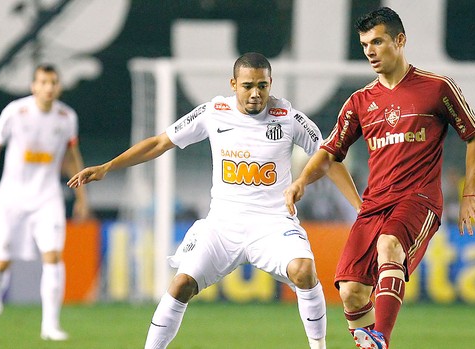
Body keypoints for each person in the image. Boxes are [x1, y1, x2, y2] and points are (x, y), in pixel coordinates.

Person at [68, 52, 360, 349]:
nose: (255, 93)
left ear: (271, 83)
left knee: (304, 270)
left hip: (272, 223)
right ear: (234, 84)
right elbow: (159, 143)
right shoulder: (213, 111)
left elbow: (330, 158)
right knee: (181, 284)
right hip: (223, 226)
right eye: (248, 86)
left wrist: (359, 207)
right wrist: (107, 166)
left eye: (262, 85)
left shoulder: (290, 119)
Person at [284, 7, 475, 349]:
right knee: (350, 291)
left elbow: (474, 137)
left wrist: (469, 194)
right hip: (375, 205)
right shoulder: (360, 102)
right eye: (365, 44)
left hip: (418, 200)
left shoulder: (437, 88)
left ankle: (381, 339)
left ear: (400, 40)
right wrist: (301, 179)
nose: (370, 51)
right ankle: (371, 344)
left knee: (388, 246)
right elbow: (330, 152)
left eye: (377, 41)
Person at [0, 64, 90, 341]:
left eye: (53, 82)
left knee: (53, 256)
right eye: (43, 82)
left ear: (59, 86)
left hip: (47, 197)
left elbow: (72, 156)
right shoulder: (15, 111)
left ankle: (50, 324)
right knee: (0, 262)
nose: (49, 87)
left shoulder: (66, 117)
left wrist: (82, 196)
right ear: (33, 86)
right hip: (12, 197)